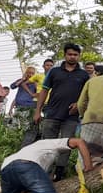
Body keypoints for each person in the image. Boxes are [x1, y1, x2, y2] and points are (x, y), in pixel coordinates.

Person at [35, 44, 89, 181]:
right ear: (65, 55)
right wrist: (38, 111)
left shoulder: (83, 75)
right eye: (70, 54)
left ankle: (59, 174)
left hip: (71, 116)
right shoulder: (54, 72)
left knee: (67, 145)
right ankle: (44, 172)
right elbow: (44, 90)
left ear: (79, 56)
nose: (73, 57)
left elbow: (87, 94)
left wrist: (79, 104)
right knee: (47, 144)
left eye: (75, 55)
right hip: (52, 113)